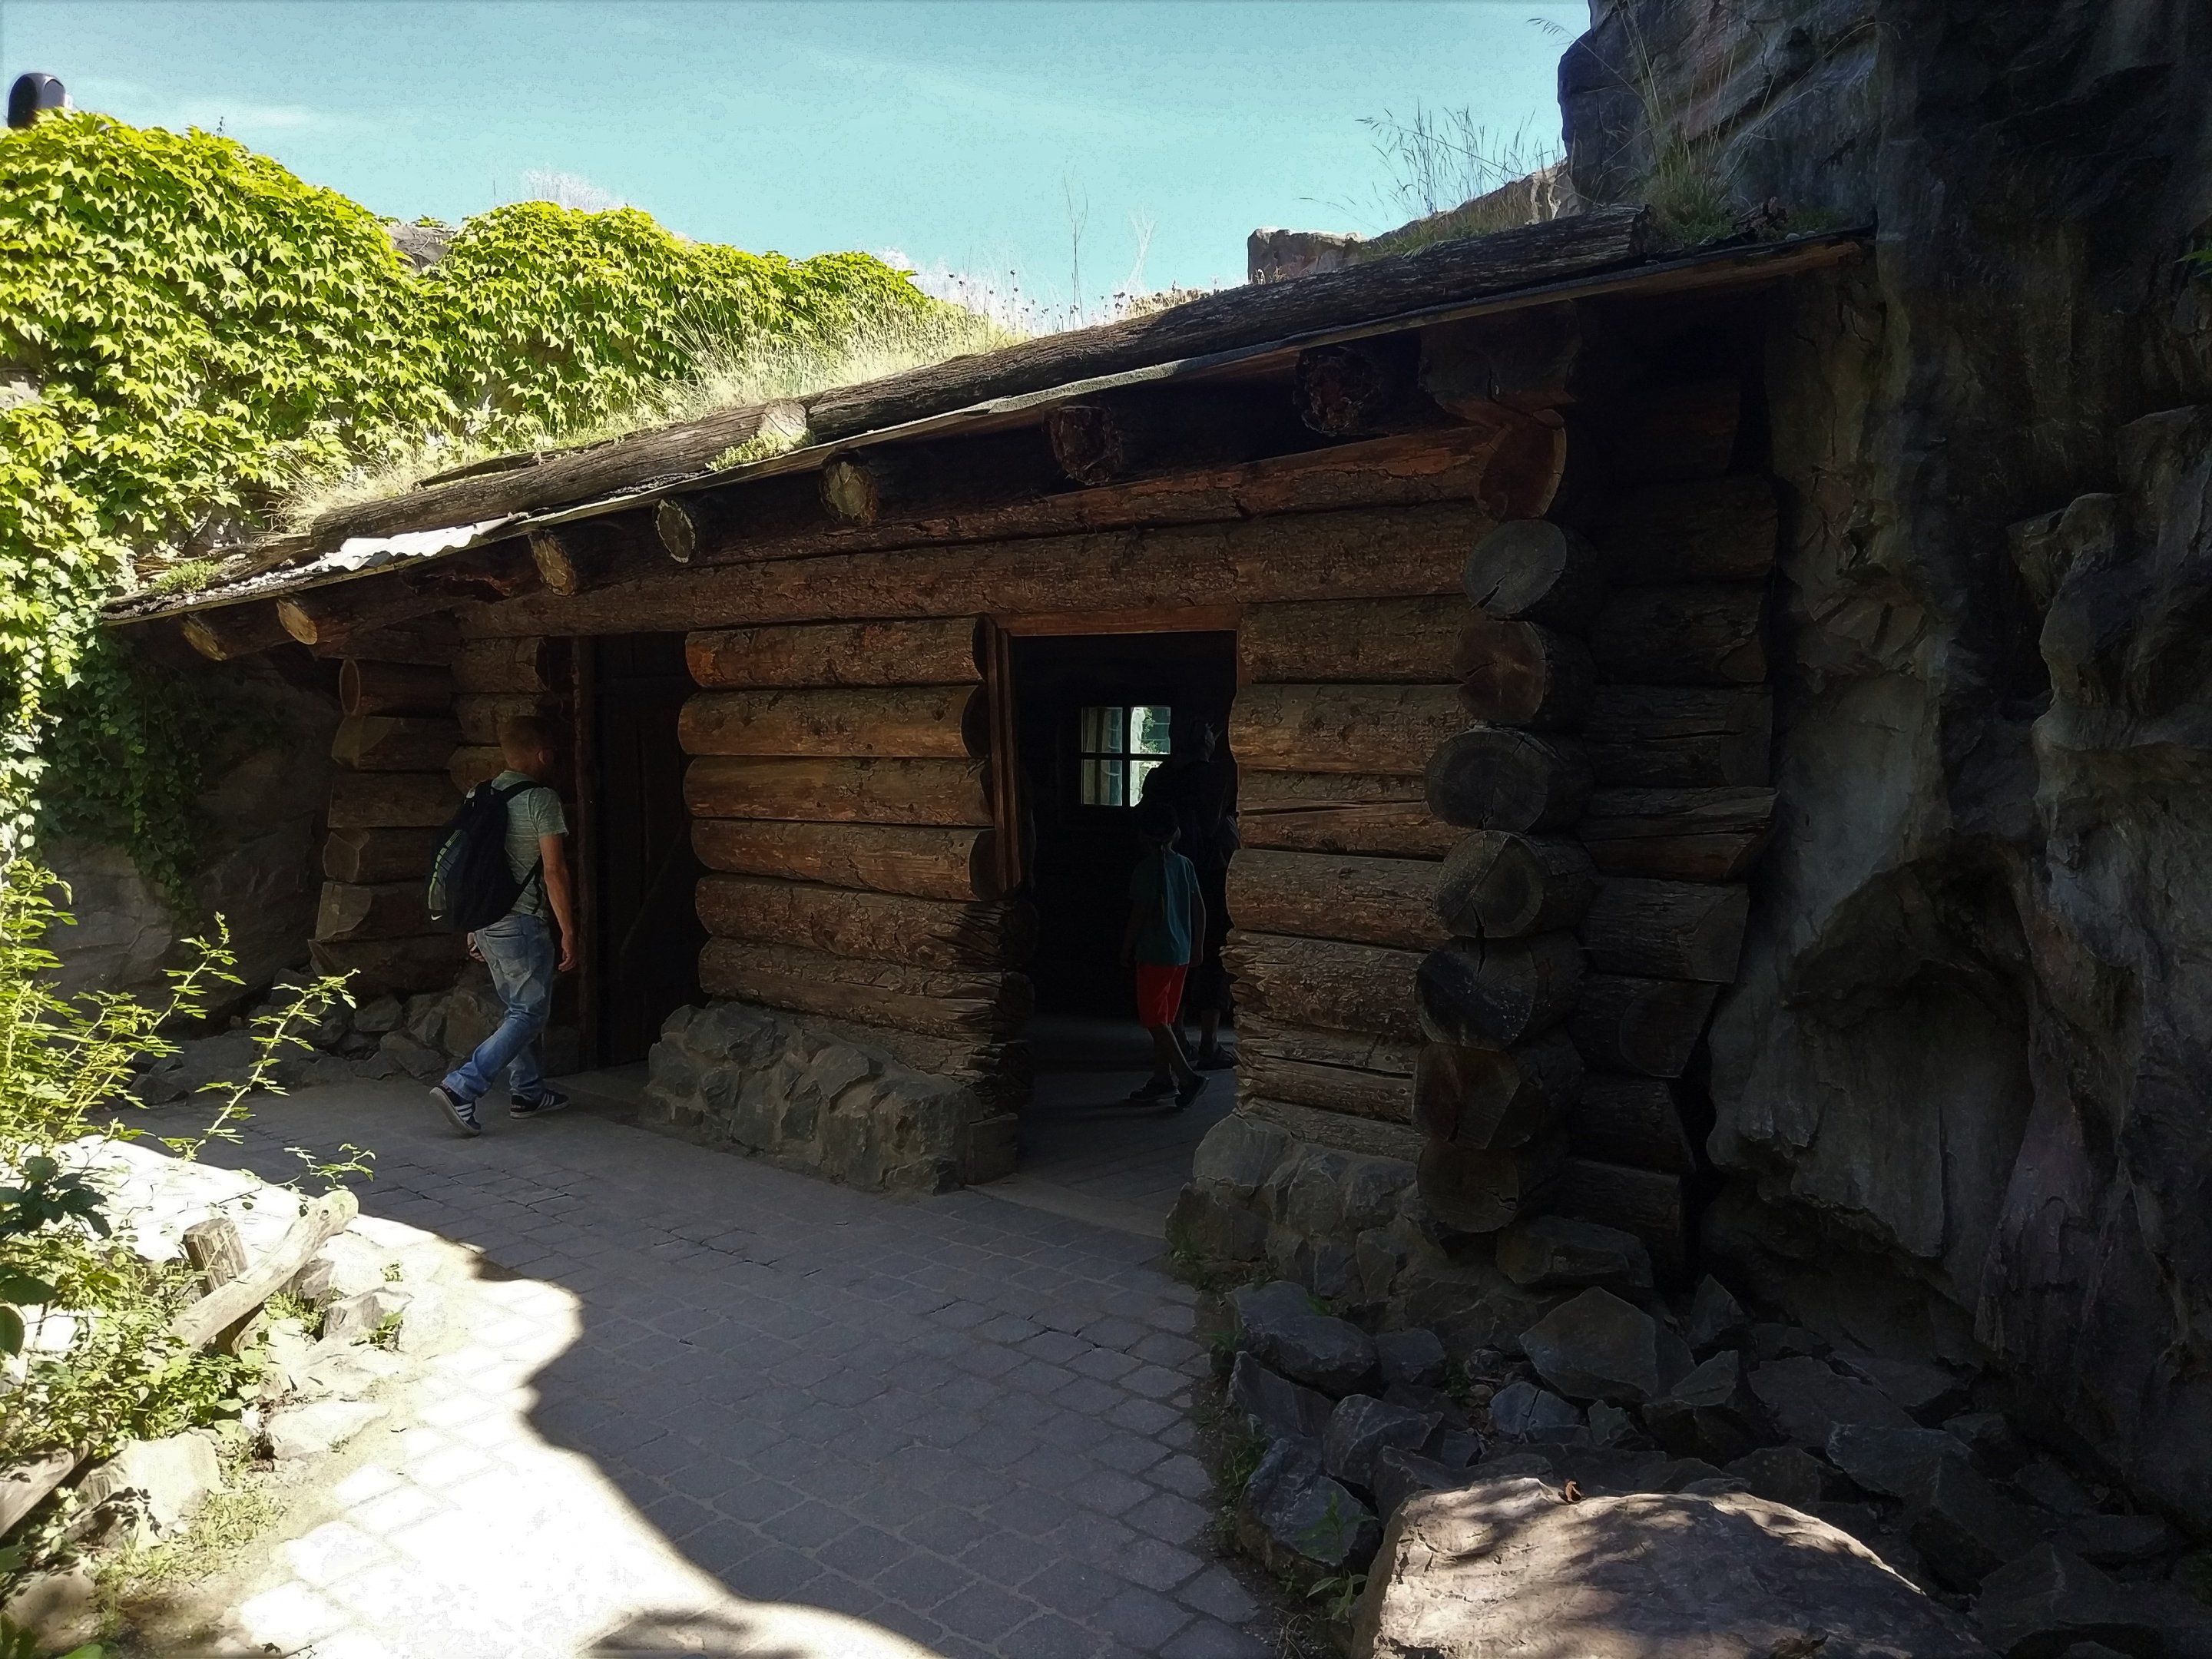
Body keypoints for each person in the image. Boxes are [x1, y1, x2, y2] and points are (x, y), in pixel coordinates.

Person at [429, 717, 578, 1136]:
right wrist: (569, 929)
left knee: (518, 1009)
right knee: (530, 1013)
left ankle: (528, 1091)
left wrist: (471, 924)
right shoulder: (541, 799)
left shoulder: (480, 793)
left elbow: (468, 868)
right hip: (522, 923)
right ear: (543, 755)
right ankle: (462, 1087)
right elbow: (554, 868)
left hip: (486, 922)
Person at [1139, 716, 1238, 1067]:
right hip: (1211, 873)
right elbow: (1217, 821)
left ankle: (1177, 1036)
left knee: (1178, 955)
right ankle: (1208, 1042)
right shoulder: (1217, 776)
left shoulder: (1160, 777)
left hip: (1172, 875)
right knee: (1211, 955)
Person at [1121, 800, 1209, 1111]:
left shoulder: (1145, 871)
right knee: (1167, 1019)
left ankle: (1187, 1077)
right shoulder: (1184, 865)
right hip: (1181, 953)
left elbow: (1139, 914)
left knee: (1154, 1020)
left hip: (1155, 954)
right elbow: (1199, 907)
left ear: (1143, 837)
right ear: (1176, 833)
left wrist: (1127, 947)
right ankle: (1162, 1078)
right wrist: (1198, 945)